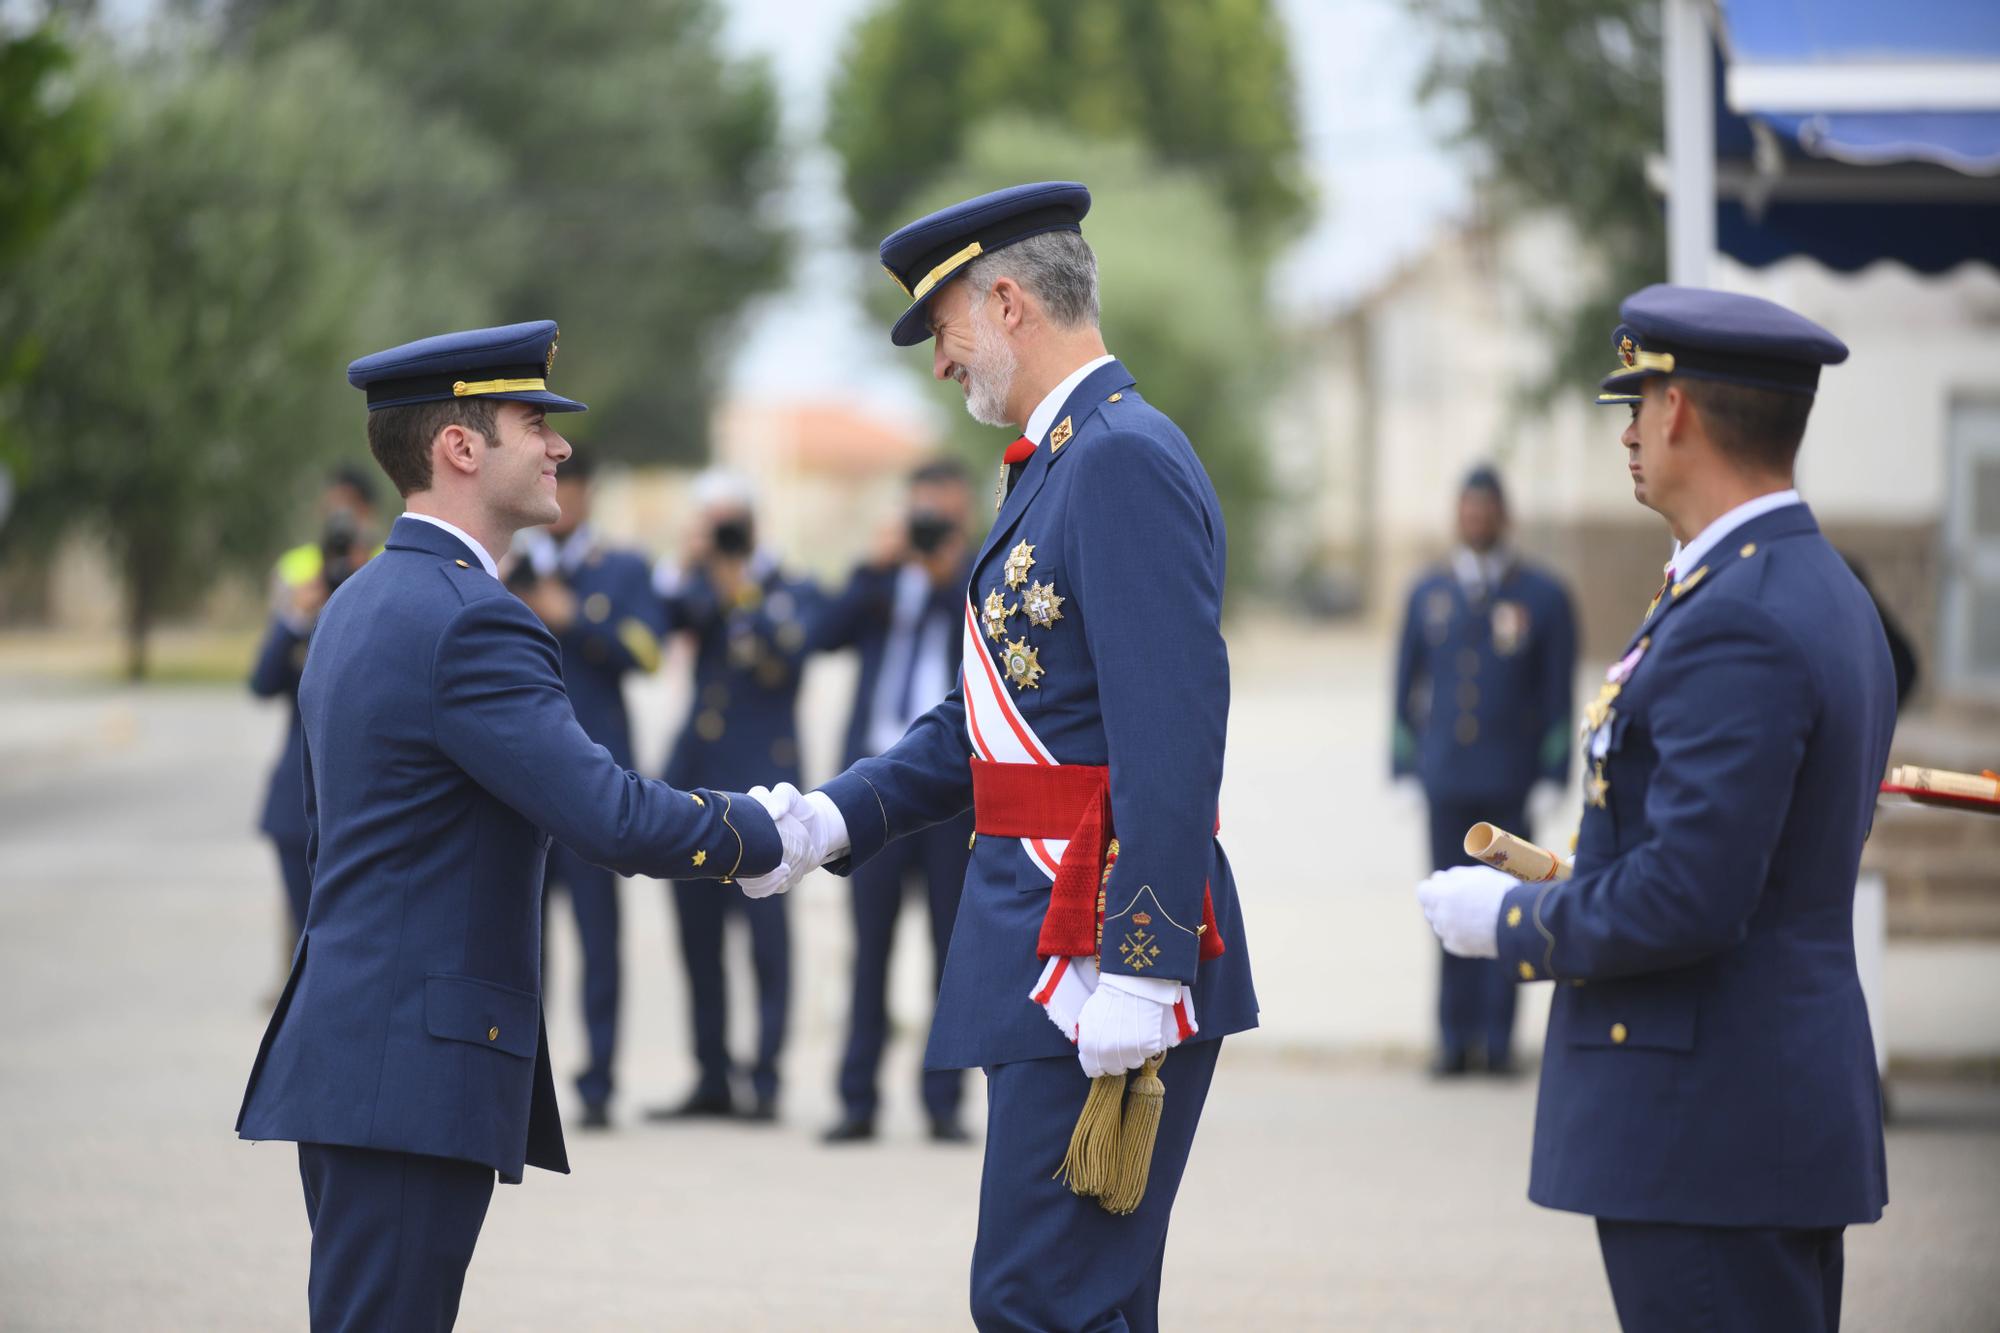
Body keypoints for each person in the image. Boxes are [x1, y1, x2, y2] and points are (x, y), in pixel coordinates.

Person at [757, 182, 1259, 1330]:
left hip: (1093, 950)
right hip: (1049, 935)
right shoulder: (1061, 461)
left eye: (941, 329)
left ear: (1005, 299)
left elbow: (1171, 731)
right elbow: (986, 718)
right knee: (1074, 1303)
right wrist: (834, 818)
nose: (939, 364)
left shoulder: (1119, 458)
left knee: (1043, 1303)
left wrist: (1142, 960)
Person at [235, 321, 804, 1332]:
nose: (559, 447)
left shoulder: (364, 598)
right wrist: (773, 831)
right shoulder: (471, 617)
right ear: (460, 448)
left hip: (360, 1052)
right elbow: (611, 817)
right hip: (407, 1071)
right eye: (531, 422)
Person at [1417, 285, 1895, 1332]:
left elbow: (1690, 891)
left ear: (1677, 410)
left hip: (1710, 1123)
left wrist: (1507, 924)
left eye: (1634, 404)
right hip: (1749, 1108)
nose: (1627, 432)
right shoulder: (1793, 586)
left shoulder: (1741, 615)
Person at [811, 457, 979, 1145]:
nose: (929, 521)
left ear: (964, 511)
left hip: (952, 794)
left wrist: (945, 577)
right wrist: (876, 567)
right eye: (921, 508)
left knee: (951, 947)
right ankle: (858, 1097)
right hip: (877, 787)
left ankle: (943, 1100)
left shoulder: (979, 575)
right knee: (869, 948)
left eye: (942, 509)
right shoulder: (883, 577)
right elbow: (822, 633)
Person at [1392, 463, 1576, 1075]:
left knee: (1506, 910)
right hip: (1445, 777)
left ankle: (1497, 1043)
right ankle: (1453, 1039)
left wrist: (1554, 770)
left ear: (1503, 516)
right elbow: (1405, 686)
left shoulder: (1543, 597)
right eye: (1466, 509)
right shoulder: (1428, 593)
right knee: (1446, 904)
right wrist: (1402, 764)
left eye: (1485, 509)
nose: (1475, 519)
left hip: (1509, 779)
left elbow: (1556, 693)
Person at [648, 471, 819, 1124]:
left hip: (763, 788)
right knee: (697, 936)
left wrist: (742, 588)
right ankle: (710, 1072)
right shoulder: (694, 585)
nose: (721, 537)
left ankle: (767, 1074)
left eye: (729, 524)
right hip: (696, 782)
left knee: (767, 937)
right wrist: (688, 560)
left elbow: (789, 657)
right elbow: (656, 623)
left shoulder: (788, 588)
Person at [507, 452, 666, 1129]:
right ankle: (516, 1079)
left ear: (589, 494)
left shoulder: (622, 568)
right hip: (520, 779)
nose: (564, 498)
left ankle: (598, 1080)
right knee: (516, 941)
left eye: (575, 487)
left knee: (600, 938)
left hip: (597, 779)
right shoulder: (508, 563)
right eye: (555, 484)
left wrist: (572, 614)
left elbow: (650, 651)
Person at [249, 465, 381, 942]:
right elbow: (261, 684)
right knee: (307, 945)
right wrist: (295, 616)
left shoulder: (387, 568)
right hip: (298, 799)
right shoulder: (298, 572)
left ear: (370, 513)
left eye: (350, 506)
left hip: (370, 804)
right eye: (333, 505)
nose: (340, 516)